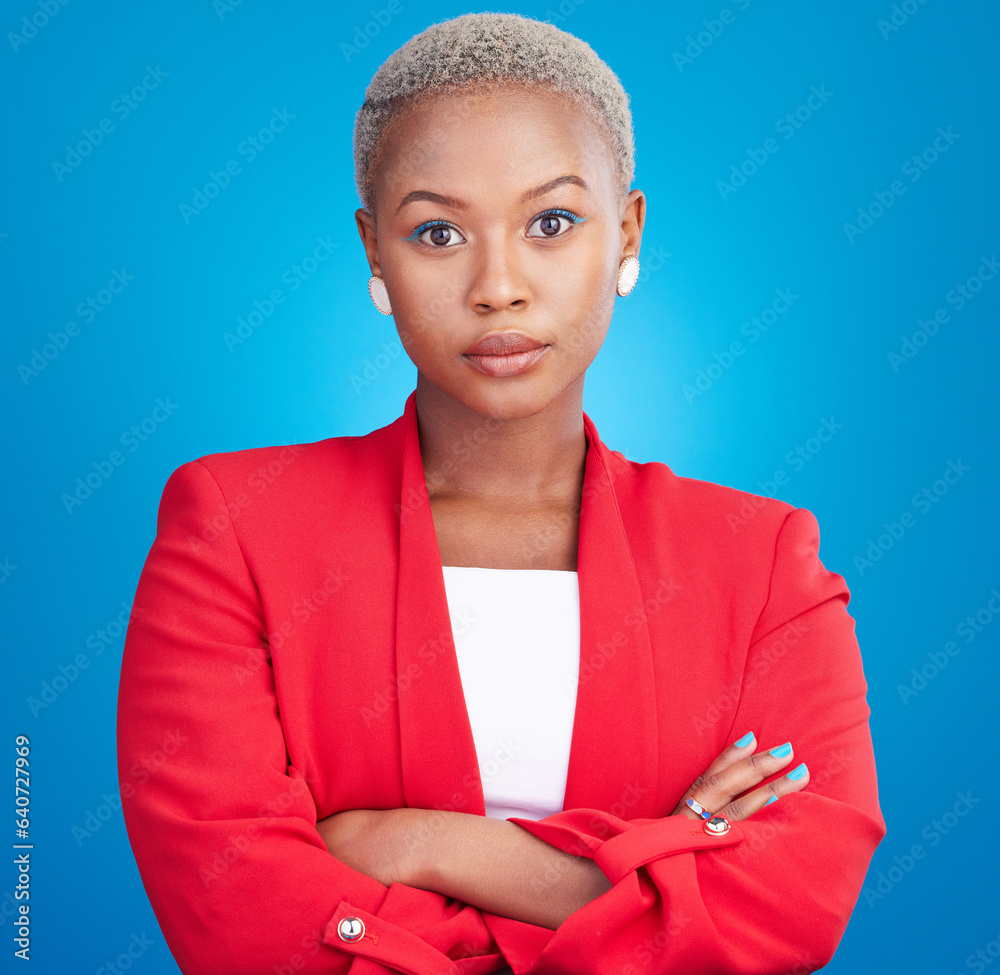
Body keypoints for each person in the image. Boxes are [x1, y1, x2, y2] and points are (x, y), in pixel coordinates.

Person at [116, 12, 886, 975]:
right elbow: (238, 914)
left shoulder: (762, 559)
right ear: (375, 255)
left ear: (628, 234)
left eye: (552, 223)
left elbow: (787, 910)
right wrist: (660, 859)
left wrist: (420, 843)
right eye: (438, 231)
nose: (498, 285)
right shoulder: (234, 527)